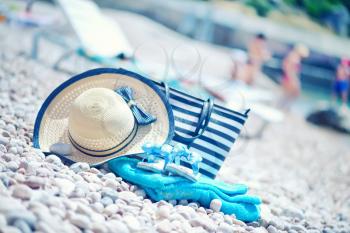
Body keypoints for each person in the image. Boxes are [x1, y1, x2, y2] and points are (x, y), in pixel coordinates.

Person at [280, 44, 309, 108]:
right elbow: (288, 69)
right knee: (290, 95)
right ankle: (283, 109)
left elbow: (285, 66)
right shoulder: (294, 57)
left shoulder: (292, 56)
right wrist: (294, 80)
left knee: (288, 96)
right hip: (289, 79)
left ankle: (283, 108)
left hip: (289, 78)